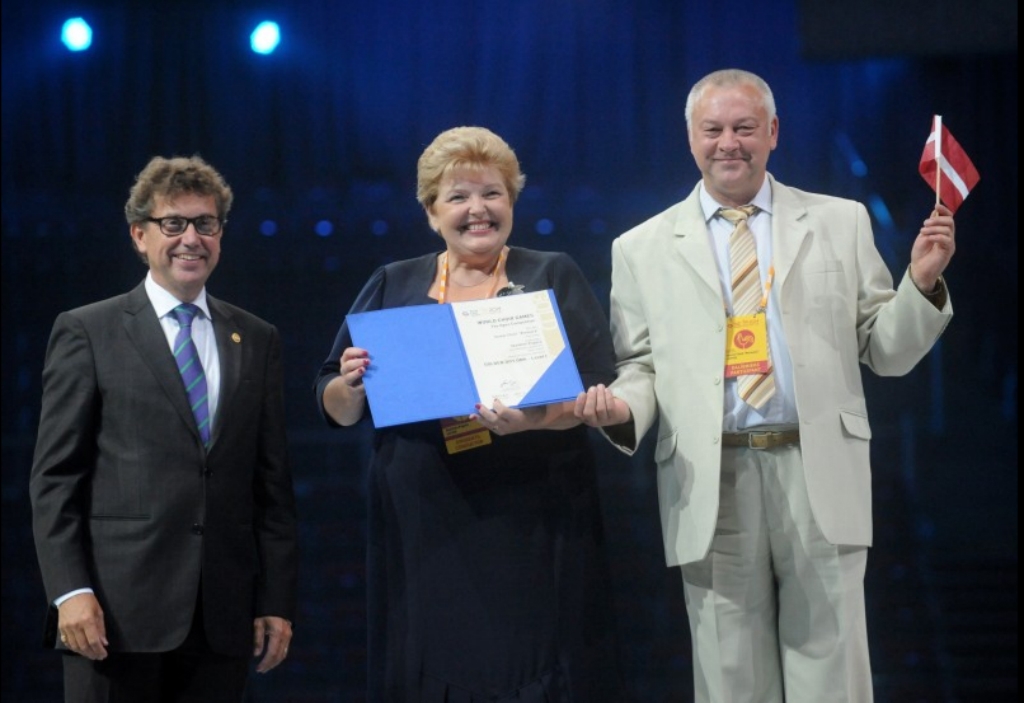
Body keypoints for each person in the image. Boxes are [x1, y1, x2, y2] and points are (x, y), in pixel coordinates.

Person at [575, 69, 955, 702]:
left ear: (773, 132)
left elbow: (885, 351)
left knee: (832, 673)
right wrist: (620, 408)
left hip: (819, 468)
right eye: (714, 130)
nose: (730, 143)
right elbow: (640, 367)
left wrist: (920, 284)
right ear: (690, 139)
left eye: (745, 128)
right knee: (730, 681)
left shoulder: (841, 220)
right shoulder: (640, 247)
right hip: (710, 473)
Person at [315, 126, 625, 701]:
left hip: (536, 515)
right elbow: (331, 399)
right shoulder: (394, 283)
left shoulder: (550, 273)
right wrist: (351, 385)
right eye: (457, 197)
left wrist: (533, 420)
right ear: (431, 212)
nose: (477, 210)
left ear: (512, 202)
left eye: (492, 194)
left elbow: (596, 384)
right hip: (424, 519)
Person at [29, 155, 299, 703]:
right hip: (111, 617)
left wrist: (275, 599)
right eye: (173, 223)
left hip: (221, 619)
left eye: (206, 224)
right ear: (139, 235)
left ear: (221, 234)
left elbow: (271, 486)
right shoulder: (87, 330)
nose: (190, 239)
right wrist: (70, 592)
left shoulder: (257, 336)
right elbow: (55, 479)